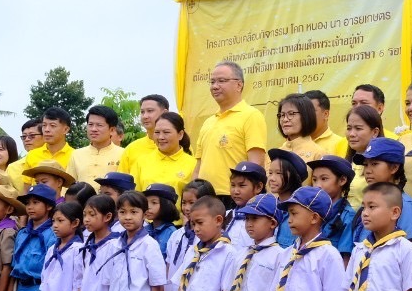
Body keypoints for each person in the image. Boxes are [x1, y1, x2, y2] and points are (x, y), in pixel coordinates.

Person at [192, 61, 268, 195]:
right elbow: (198, 168)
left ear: (239, 85)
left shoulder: (251, 116)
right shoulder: (208, 122)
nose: (215, 86)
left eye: (221, 81)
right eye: (212, 82)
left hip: (233, 197)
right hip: (205, 198)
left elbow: (255, 165)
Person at [352, 138, 412, 246]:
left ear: (394, 168)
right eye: (365, 165)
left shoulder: (403, 203)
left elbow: (408, 246)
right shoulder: (367, 202)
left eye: (374, 164)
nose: (368, 171)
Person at [136, 111, 197, 197]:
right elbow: (135, 195)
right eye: (157, 132)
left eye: (166, 132)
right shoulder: (142, 161)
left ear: (180, 134)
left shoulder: (193, 164)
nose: (161, 137)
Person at [118, 94, 171, 184]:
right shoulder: (132, 149)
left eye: (150, 111)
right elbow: (120, 184)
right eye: (142, 112)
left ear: (165, 113)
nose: (145, 116)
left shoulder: (180, 146)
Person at [67, 105, 125, 186]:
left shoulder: (124, 154)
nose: (93, 129)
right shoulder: (76, 154)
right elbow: (68, 186)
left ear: (112, 130)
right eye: (90, 124)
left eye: (99, 125)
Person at [266, 149, 308, 248]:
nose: (272, 178)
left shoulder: (302, 213)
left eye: (278, 173)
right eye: (270, 173)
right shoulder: (268, 208)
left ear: (293, 176)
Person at [345, 105, 384, 205]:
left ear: (375, 132)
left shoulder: (383, 166)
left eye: (358, 128)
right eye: (349, 128)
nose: (352, 134)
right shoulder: (346, 163)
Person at [223, 161, 267, 245]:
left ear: (258, 187)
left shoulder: (265, 218)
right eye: (233, 185)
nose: (236, 191)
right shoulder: (226, 216)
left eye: (242, 186)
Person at [23, 107, 76, 177]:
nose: (46, 130)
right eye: (44, 125)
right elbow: (28, 187)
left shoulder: (75, 156)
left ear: (66, 129)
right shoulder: (32, 155)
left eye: (52, 126)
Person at [276, 93, 327, 163]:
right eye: (282, 115)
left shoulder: (318, 154)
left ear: (306, 115)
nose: (285, 119)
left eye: (291, 114)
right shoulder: (276, 154)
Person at [143, 183, 182, 258]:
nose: (148, 207)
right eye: (146, 202)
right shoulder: (144, 229)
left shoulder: (173, 233)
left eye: (154, 203)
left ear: (166, 205)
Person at [306, 90, 349, 156]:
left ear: (326, 114)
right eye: (303, 111)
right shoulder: (294, 142)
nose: (305, 115)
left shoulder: (340, 143)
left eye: (311, 111)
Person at [13, 118, 45, 191]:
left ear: (44, 136)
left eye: (32, 136)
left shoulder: (53, 159)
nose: (27, 139)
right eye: (24, 137)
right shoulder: (12, 167)